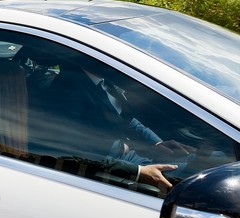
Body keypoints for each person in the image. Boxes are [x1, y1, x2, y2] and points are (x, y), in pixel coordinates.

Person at [46, 60, 192, 192]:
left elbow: (126, 119)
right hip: (115, 165)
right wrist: (138, 172)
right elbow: (78, 153)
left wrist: (157, 143)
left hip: (129, 154)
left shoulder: (103, 81)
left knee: (192, 163)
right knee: (189, 180)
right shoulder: (70, 89)